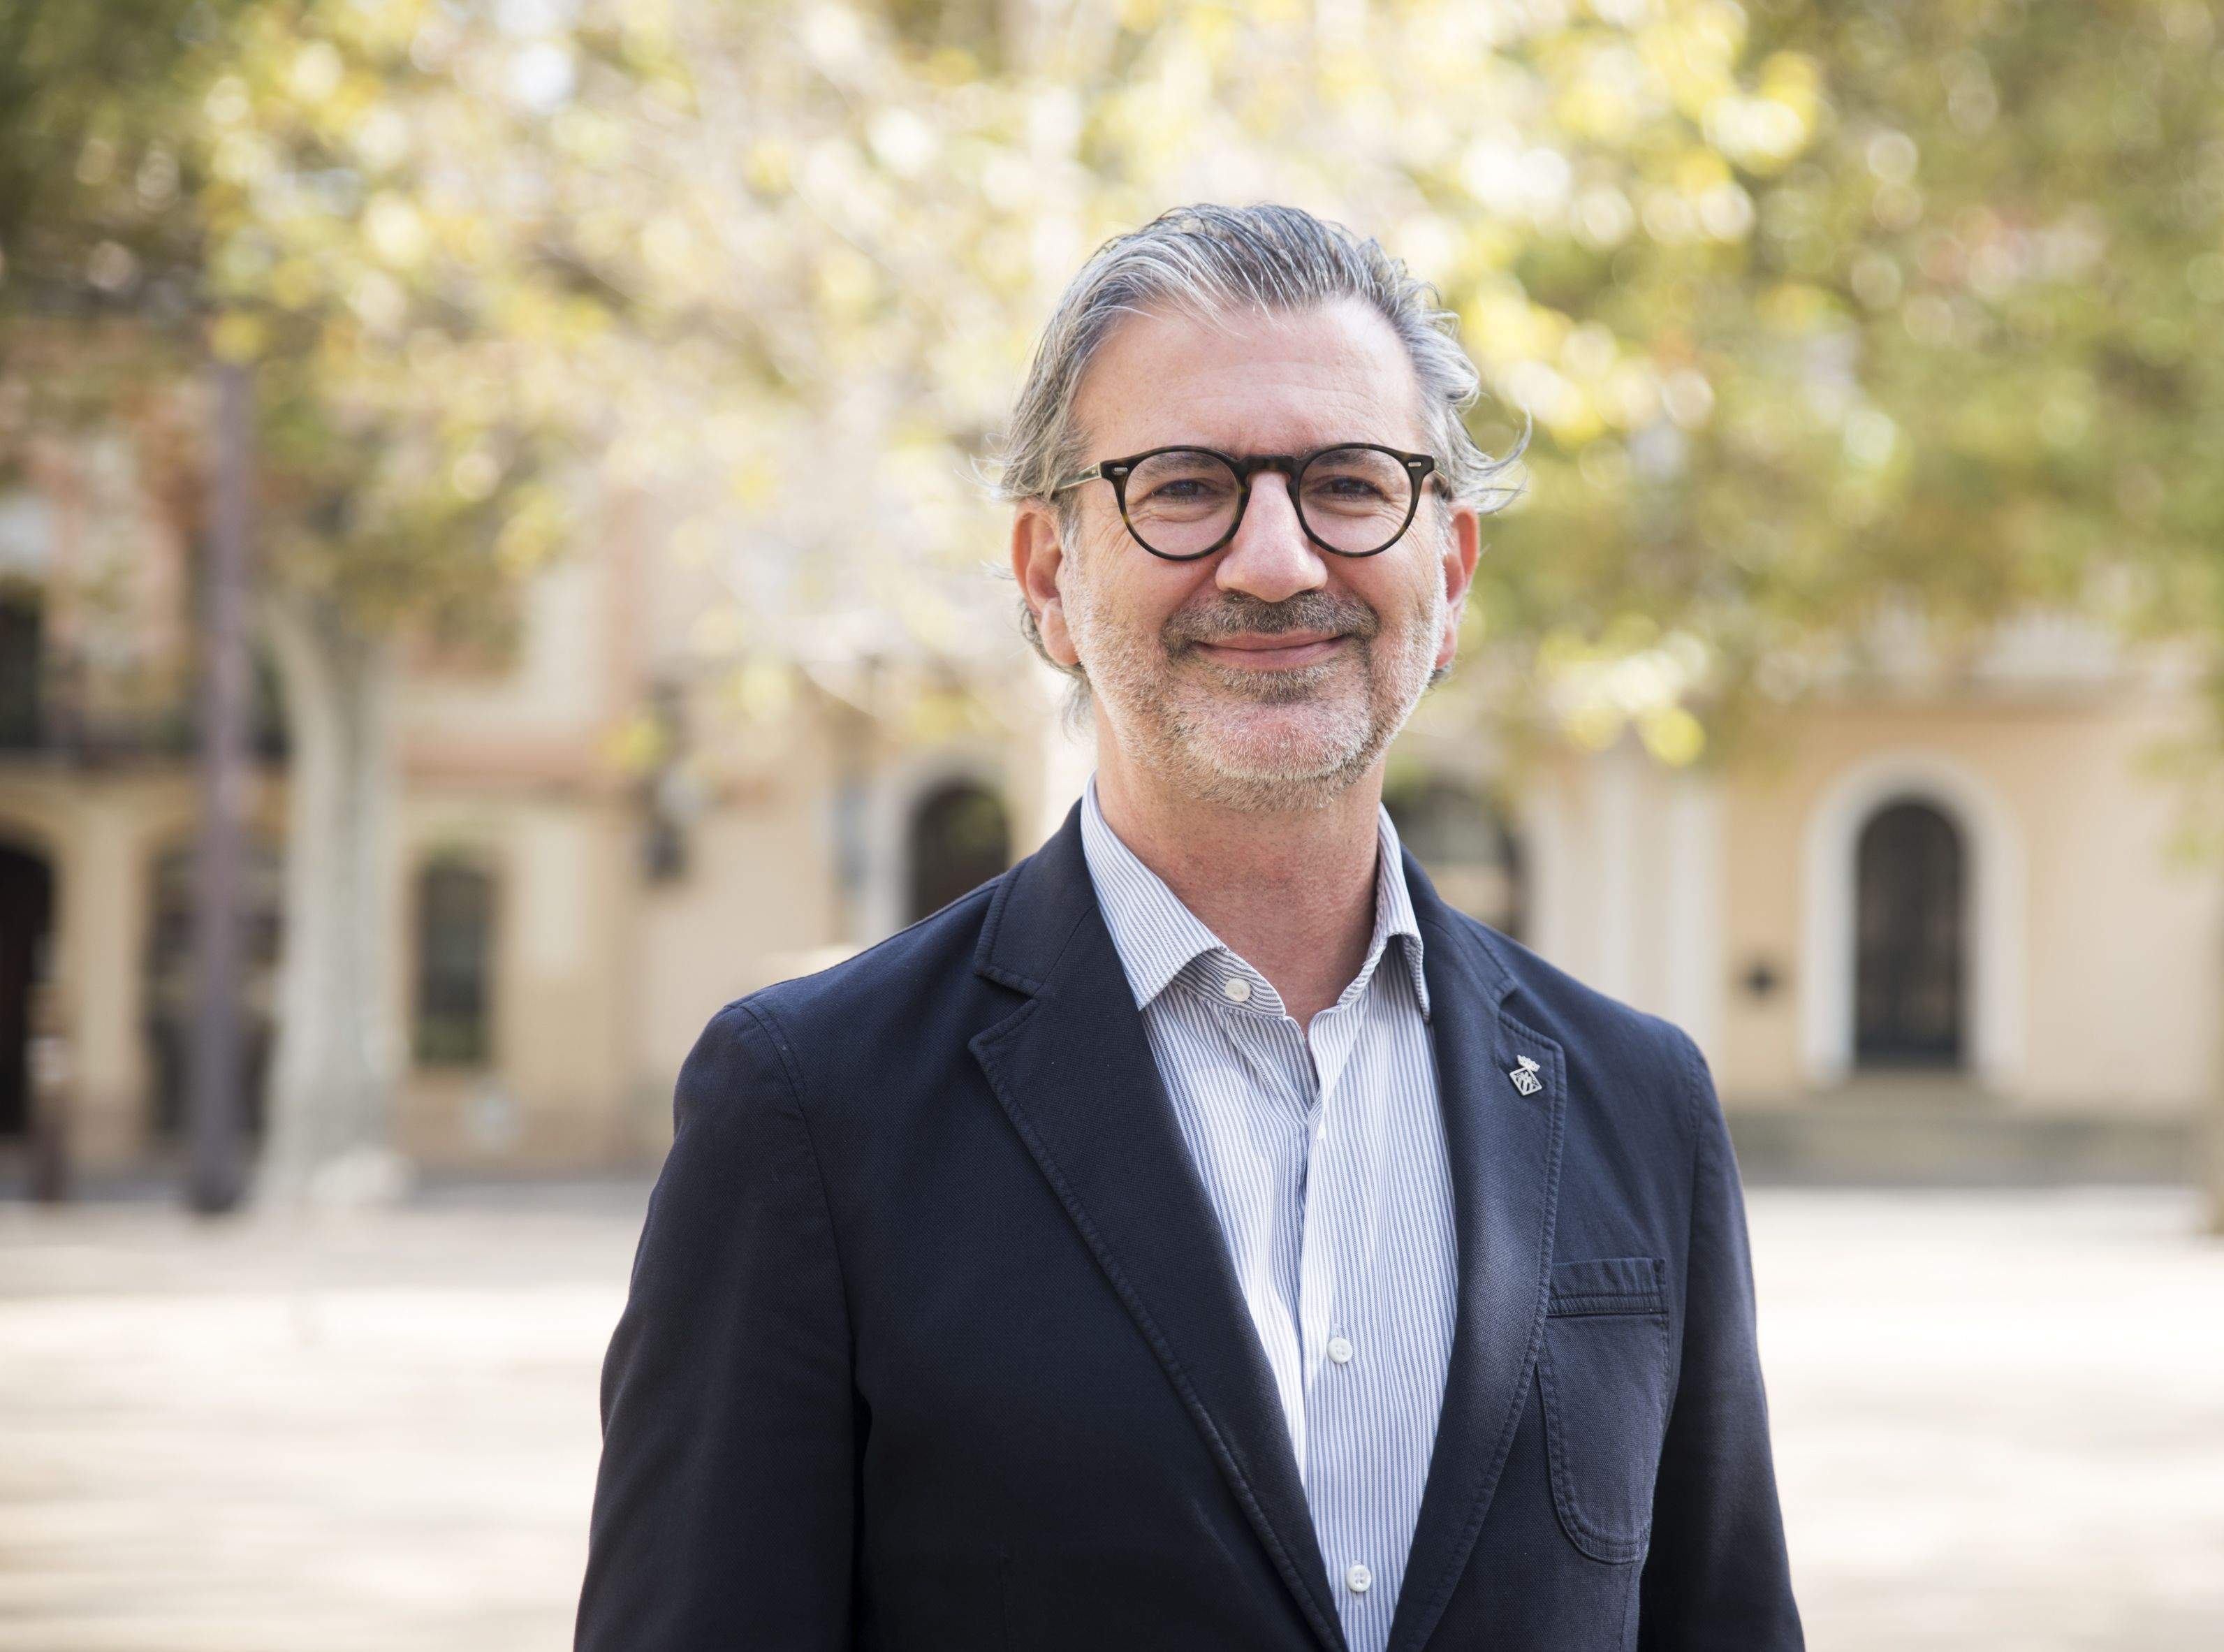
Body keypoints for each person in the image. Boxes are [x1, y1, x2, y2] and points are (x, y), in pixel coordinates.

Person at [574, 203, 1802, 1652]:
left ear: (1452, 570)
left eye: (1349, 484)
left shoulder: (1639, 1105)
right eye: (1183, 487)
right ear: (1049, 576)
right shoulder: (808, 1109)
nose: (1276, 561)